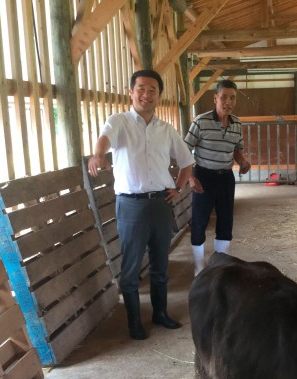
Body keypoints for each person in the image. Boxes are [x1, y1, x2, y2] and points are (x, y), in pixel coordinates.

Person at [87, 69, 201, 341]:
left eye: (152, 90)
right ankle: (134, 321)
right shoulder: (119, 122)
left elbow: (186, 162)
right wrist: (98, 154)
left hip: (161, 203)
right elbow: (105, 138)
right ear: (131, 92)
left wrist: (177, 185)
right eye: (141, 88)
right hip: (131, 206)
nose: (146, 94)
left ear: (159, 96)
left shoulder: (166, 130)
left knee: (161, 262)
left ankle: (160, 314)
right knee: (131, 266)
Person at [184, 79, 251, 275]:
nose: (228, 102)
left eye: (232, 98)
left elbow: (237, 149)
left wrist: (243, 162)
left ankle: (220, 266)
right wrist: (190, 177)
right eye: (224, 97)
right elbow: (185, 150)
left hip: (225, 177)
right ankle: (199, 266)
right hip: (203, 176)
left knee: (225, 220)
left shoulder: (237, 123)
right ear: (215, 98)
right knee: (200, 220)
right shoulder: (201, 121)